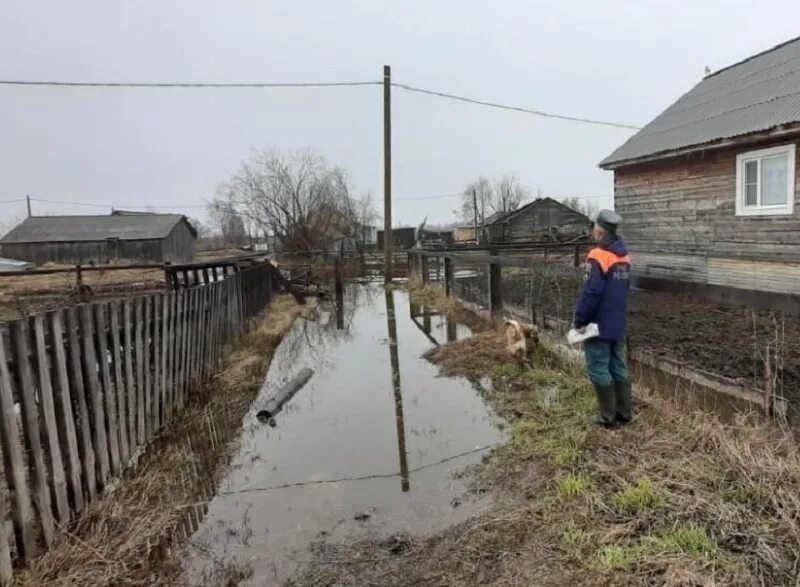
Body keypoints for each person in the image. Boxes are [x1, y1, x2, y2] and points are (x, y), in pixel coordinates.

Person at [573, 210, 632, 427]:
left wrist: (580, 320)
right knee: (618, 365)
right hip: (617, 322)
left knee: (598, 367)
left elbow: (591, 292)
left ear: (600, 230)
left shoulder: (597, 256)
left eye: (594, 227)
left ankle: (607, 417)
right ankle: (624, 414)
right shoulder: (624, 256)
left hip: (597, 324)